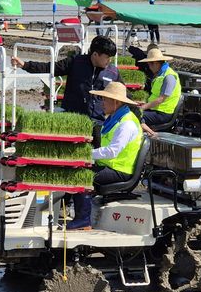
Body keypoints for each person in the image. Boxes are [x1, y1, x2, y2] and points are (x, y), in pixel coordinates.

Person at [67, 82, 143, 230]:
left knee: (79, 176)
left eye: (105, 99)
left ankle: (83, 220)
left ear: (116, 102)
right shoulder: (115, 119)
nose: (102, 103)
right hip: (110, 166)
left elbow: (112, 151)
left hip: (120, 171)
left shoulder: (126, 124)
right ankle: (75, 213)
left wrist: (85, 154)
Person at [11, 35, 121, 124]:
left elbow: (123, 95)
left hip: (98, 121)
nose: (109, 61)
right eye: (107, 57)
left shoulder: (113, 72)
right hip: (73, 119)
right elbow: (49, 68)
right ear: (95, 54)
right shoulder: (75, 62)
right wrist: (25, 65)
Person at [136, 48, 182, 126]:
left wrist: (142, 108)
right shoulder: (160, 75)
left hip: (163, 113)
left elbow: (161, 99)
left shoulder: (169, 76)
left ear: (156, 63)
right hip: (155, 110)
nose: (149, 67)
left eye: (149, 64)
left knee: (134, 115)